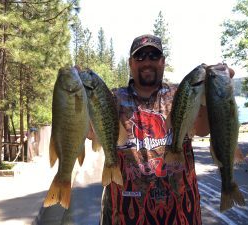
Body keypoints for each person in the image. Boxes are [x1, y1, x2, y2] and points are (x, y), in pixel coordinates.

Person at [91, 34, 234, 225]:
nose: (147, 62)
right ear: (130, 63)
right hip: (127, 214)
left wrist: (216, 88)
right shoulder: (112, 99)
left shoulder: (182, 93)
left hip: (182, 213)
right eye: (140, 56)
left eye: (153, 56)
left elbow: (202, 130)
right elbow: (92, 133)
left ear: (163, 61)